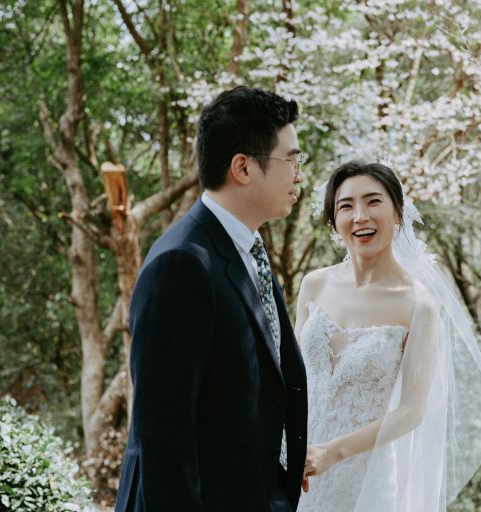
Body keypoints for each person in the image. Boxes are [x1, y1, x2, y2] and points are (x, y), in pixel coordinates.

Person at [114, 86, 308, 512]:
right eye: (292, 160)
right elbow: (163, 434)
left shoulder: (248, 247)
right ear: (243, 167)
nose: (299, 174)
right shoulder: (182, 263)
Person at [295, 161, 481, 511]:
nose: (360, 216)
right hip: (298, 468)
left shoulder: (418, 304)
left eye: (373, 201)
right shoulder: (314, 284)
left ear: (398, 213)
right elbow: (291, 377)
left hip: (364, 480)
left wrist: (332, 452)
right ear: (333, 220)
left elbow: (411, 411)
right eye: (346, 206)